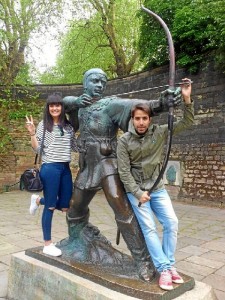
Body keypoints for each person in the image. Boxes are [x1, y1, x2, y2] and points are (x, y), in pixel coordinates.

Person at [62, 68, 182, 281]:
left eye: (103, 81)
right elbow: (65, 105)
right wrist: (75, 102)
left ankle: (143, 260)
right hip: (87, 165)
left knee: (121, 207)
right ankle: (77, 239)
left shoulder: (111, 104)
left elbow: (138, 106)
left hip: (107, 163)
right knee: (75, 207)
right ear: (84, 82)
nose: (99, 85)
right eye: (94, 80)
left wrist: (162, 103)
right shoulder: (80, 106)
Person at [117, 79, 194, 290]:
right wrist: (137, 192)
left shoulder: (159, 132)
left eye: (144, 119)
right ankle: (163, 269)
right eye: (137, 119)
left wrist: (186, 99)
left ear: (150, 120)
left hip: (157, 189)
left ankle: (169, 266)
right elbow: (124, 171)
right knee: (149, 228)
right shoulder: (124, 141)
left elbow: (186, 123)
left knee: (172, 223)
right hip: (137, 191)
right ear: (132, 120)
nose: (141, 122)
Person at [25, 92, 77, 257]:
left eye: (58, 105)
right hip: (50, 168)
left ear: (62, 108)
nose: (55, 108)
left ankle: (38, 200)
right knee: (51, 207)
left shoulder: (68, 126)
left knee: (65, 205)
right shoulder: (44, 125)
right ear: (48, 108)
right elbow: (37, 149)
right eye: (52, 105)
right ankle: (47, 244)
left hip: (65, 168)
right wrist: (32, 133)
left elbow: (75, 146)